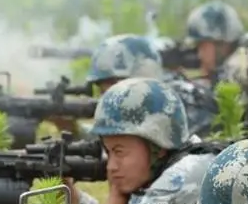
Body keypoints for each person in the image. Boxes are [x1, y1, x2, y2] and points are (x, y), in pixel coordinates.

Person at [66, 76, 219, 204]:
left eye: (119, 152)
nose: (111, 166)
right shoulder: (183, 161)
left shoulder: (179, 178)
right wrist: (73, 195)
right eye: (108, 152)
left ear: (157, 145)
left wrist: (115, 199)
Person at [82, 33, 218, 138]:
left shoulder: (184, 100)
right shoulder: (148, 106)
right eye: (102, 89)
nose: (106, 96)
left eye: (115, 85)